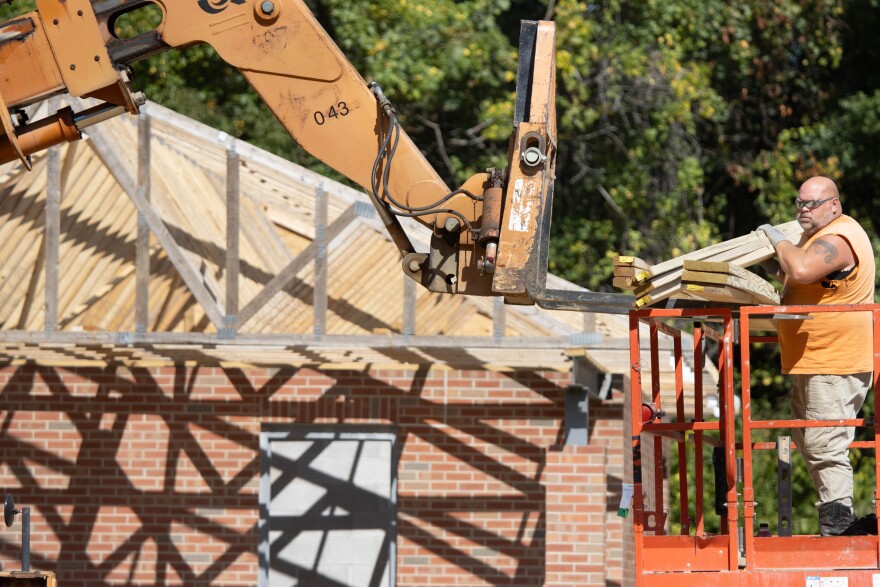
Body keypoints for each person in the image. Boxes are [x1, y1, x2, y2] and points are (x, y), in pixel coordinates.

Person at [758, 176, 875, 536]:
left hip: (835, 362)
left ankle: (839, 528)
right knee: (810, 440)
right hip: (814, 361)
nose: (804, 210)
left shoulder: (840, 237)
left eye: (813, 204)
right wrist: (768, 264)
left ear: (834, 205)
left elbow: (804, 268)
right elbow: (798, 278)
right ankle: (839, 518)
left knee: (825, 444)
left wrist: (775, 238)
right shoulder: (813, 239)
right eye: (800, 203)